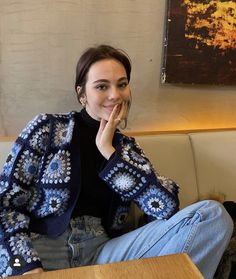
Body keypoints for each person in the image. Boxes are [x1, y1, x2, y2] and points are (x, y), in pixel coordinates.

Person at [0, 44, 233, 279]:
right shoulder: (47, 129)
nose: (115, 95)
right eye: (102, 86)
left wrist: (111, 154)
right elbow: (6, 204)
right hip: (43, 249)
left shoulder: (127, 149)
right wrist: (23, 265)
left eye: (122, 84)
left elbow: (166, 206)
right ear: (82, 94)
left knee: (213, 216)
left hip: (104, 252)